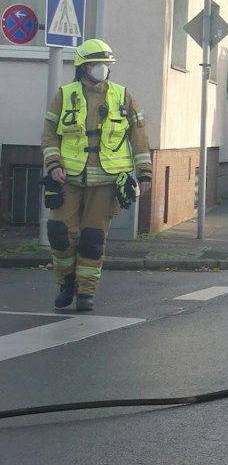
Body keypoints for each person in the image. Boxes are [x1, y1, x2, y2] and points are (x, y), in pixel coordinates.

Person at [41, 38, 153, 312]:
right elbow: (48, 135)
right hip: (66, 179)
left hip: (105, 181)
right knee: (60, 234)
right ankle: (66, 283)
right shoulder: (64, 95)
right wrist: (53, 163)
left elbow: (139, 137)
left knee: (92, 239)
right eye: (95, 64)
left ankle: (85, 292)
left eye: (105, 64)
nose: (101, 68)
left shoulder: (123, 96)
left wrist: (145, 172)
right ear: (82, 67)